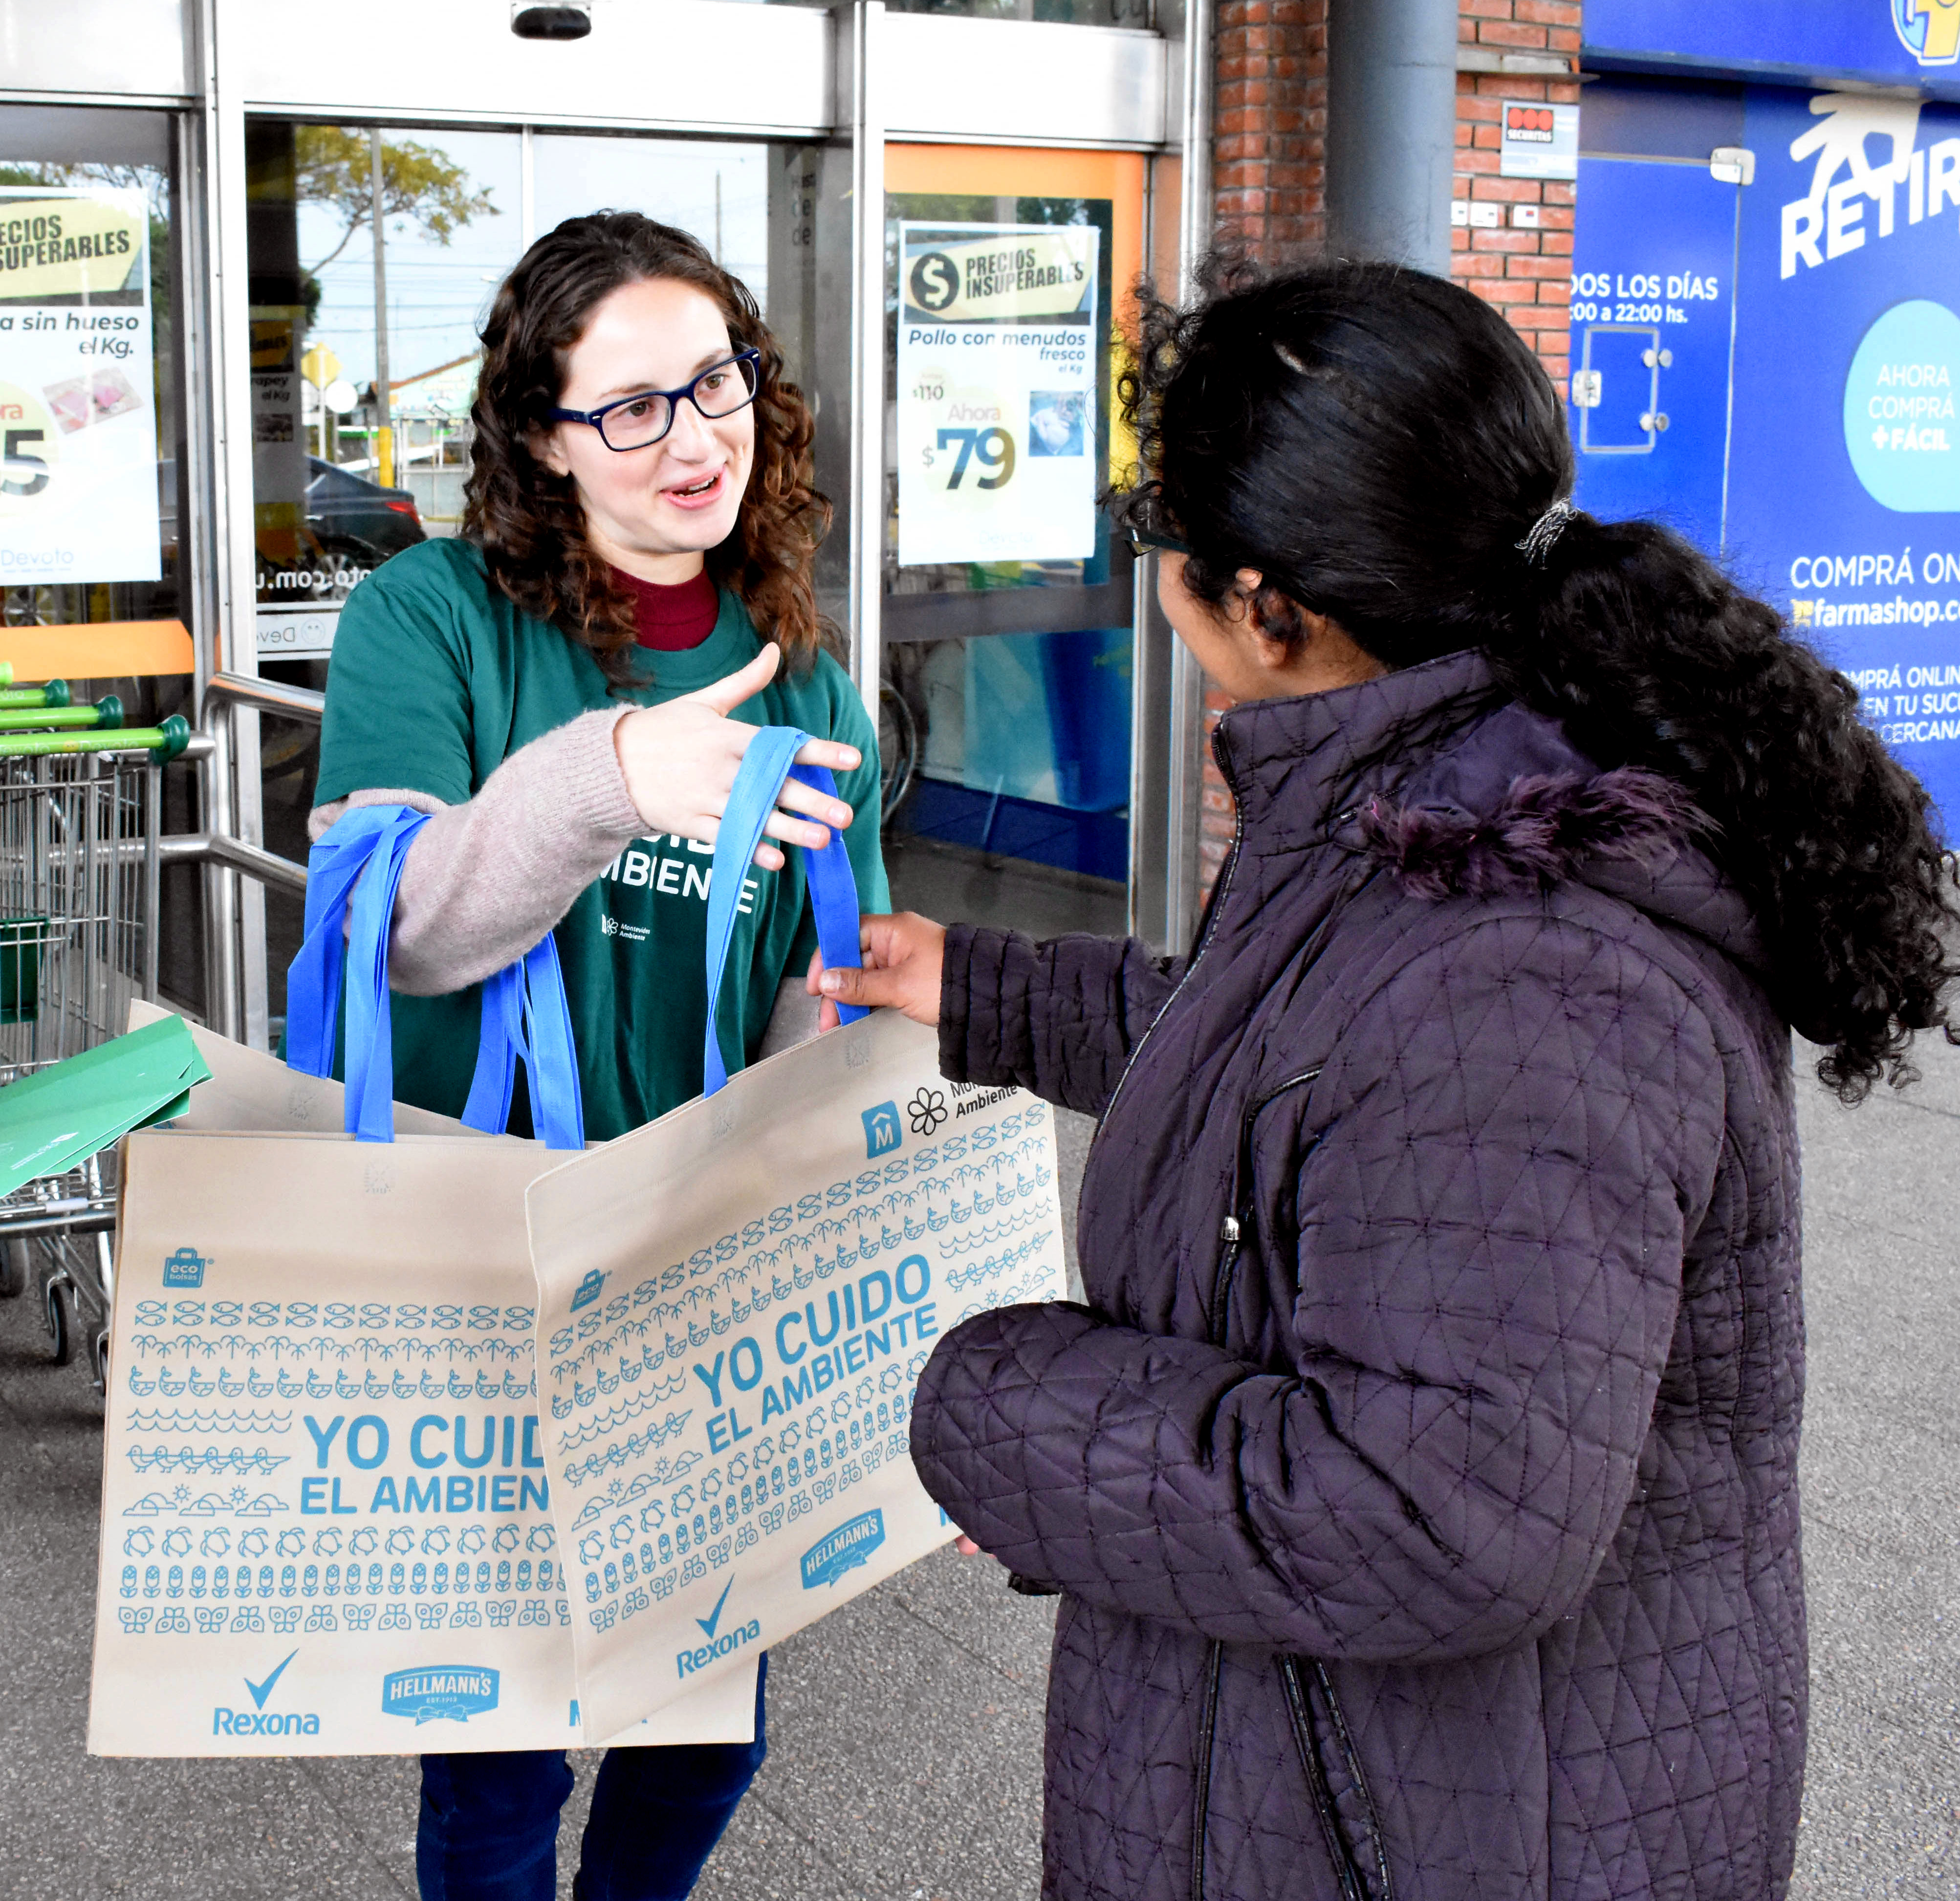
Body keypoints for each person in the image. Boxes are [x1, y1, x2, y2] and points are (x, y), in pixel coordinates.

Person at [820, 259, 1958, 1899]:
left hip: (1435, 1821)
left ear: (1265, 601)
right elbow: (1313, 1072)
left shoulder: (1525, 949)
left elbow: (1441, 1506)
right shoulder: (1435, 780)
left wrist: (995, 1406)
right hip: (1327, 1766)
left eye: (1163, 535)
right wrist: (982, 986)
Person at [312, 211, 884, 1901]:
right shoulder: (430, 617)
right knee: (498, 1746)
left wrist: (860, 1036)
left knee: (708, 1727)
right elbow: (394, 925)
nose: (692, 434)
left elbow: (815, 995)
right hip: (479, 1269)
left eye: (714, 383)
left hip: (696, 1283)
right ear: (544, 443)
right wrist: (612, 777)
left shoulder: (813, 682)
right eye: (627, 407)